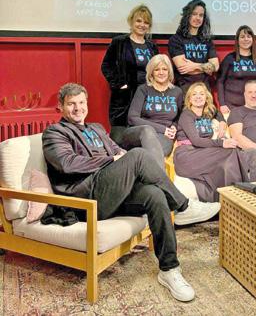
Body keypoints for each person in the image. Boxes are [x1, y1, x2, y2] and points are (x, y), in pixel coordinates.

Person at [42, 83, 221, 302]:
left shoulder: (96, 128)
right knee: (137, 155)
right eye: (71, 104)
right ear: (61, 107)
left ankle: (169, 269)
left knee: (154, 195)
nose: (78, 108)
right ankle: (183, 206)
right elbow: (67, 163)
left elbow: (116, 150)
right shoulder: (54, 133)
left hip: (112, 191)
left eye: (81, 102)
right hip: (87, 198)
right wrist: (112, 159)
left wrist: (120, 158)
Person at [174, 82, 249, 202]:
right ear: (189, 99)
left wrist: (222, 123)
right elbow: (196, 141)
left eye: (201, 94)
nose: (198, 97)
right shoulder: (186, 115)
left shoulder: (207, 114)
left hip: (203, 153)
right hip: (187, 155)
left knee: (229, 157)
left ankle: (232, 197)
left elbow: (218, 113)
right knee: (230, 151)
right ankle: (240, 193)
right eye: (194, 94)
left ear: (206, 98)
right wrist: (221, 143)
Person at [101, 4, 159, 144]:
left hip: (147, 97)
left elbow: (157, 69)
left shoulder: (152, 47)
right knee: (119, 139)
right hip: (125, 98)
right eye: (139, 21)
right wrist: (119, 84)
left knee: (143, 136)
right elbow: (106, 65)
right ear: (131, 21)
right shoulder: (119, 42)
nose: (142, 25)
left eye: (146, 22)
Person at [125, 54, 183, 165]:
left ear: (169, 71)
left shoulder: (177, 92)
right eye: (157, 69)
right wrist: (163, 129)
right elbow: (132, 118)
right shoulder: (143, 89)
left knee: (154, 152)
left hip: (164, 136)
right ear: (151, 72)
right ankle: (159, 176)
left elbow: (180, 116)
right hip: (139, 132)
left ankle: (148, 173)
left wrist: (174, 126)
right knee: (148, 131)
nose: (161, 72)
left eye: (164, 69)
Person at [168, 0, 219, 94]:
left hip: (204, 91)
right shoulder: (176, 39)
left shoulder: (207, 40)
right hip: (184, 90)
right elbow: (183, 68)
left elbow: (215, 66)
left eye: (201, 15)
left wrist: (195, 66)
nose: (198, 18)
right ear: (187, 15)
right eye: (194, 14)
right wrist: (206, 68)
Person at [217, 25, 256, 114]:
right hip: (232, 107)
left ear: (252, 39)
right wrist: (222, 104)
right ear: (237, 40)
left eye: (249, 36)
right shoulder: (230, 58)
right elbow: (220, 81)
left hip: (253, 107)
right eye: (242, 37)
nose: (246, 39)